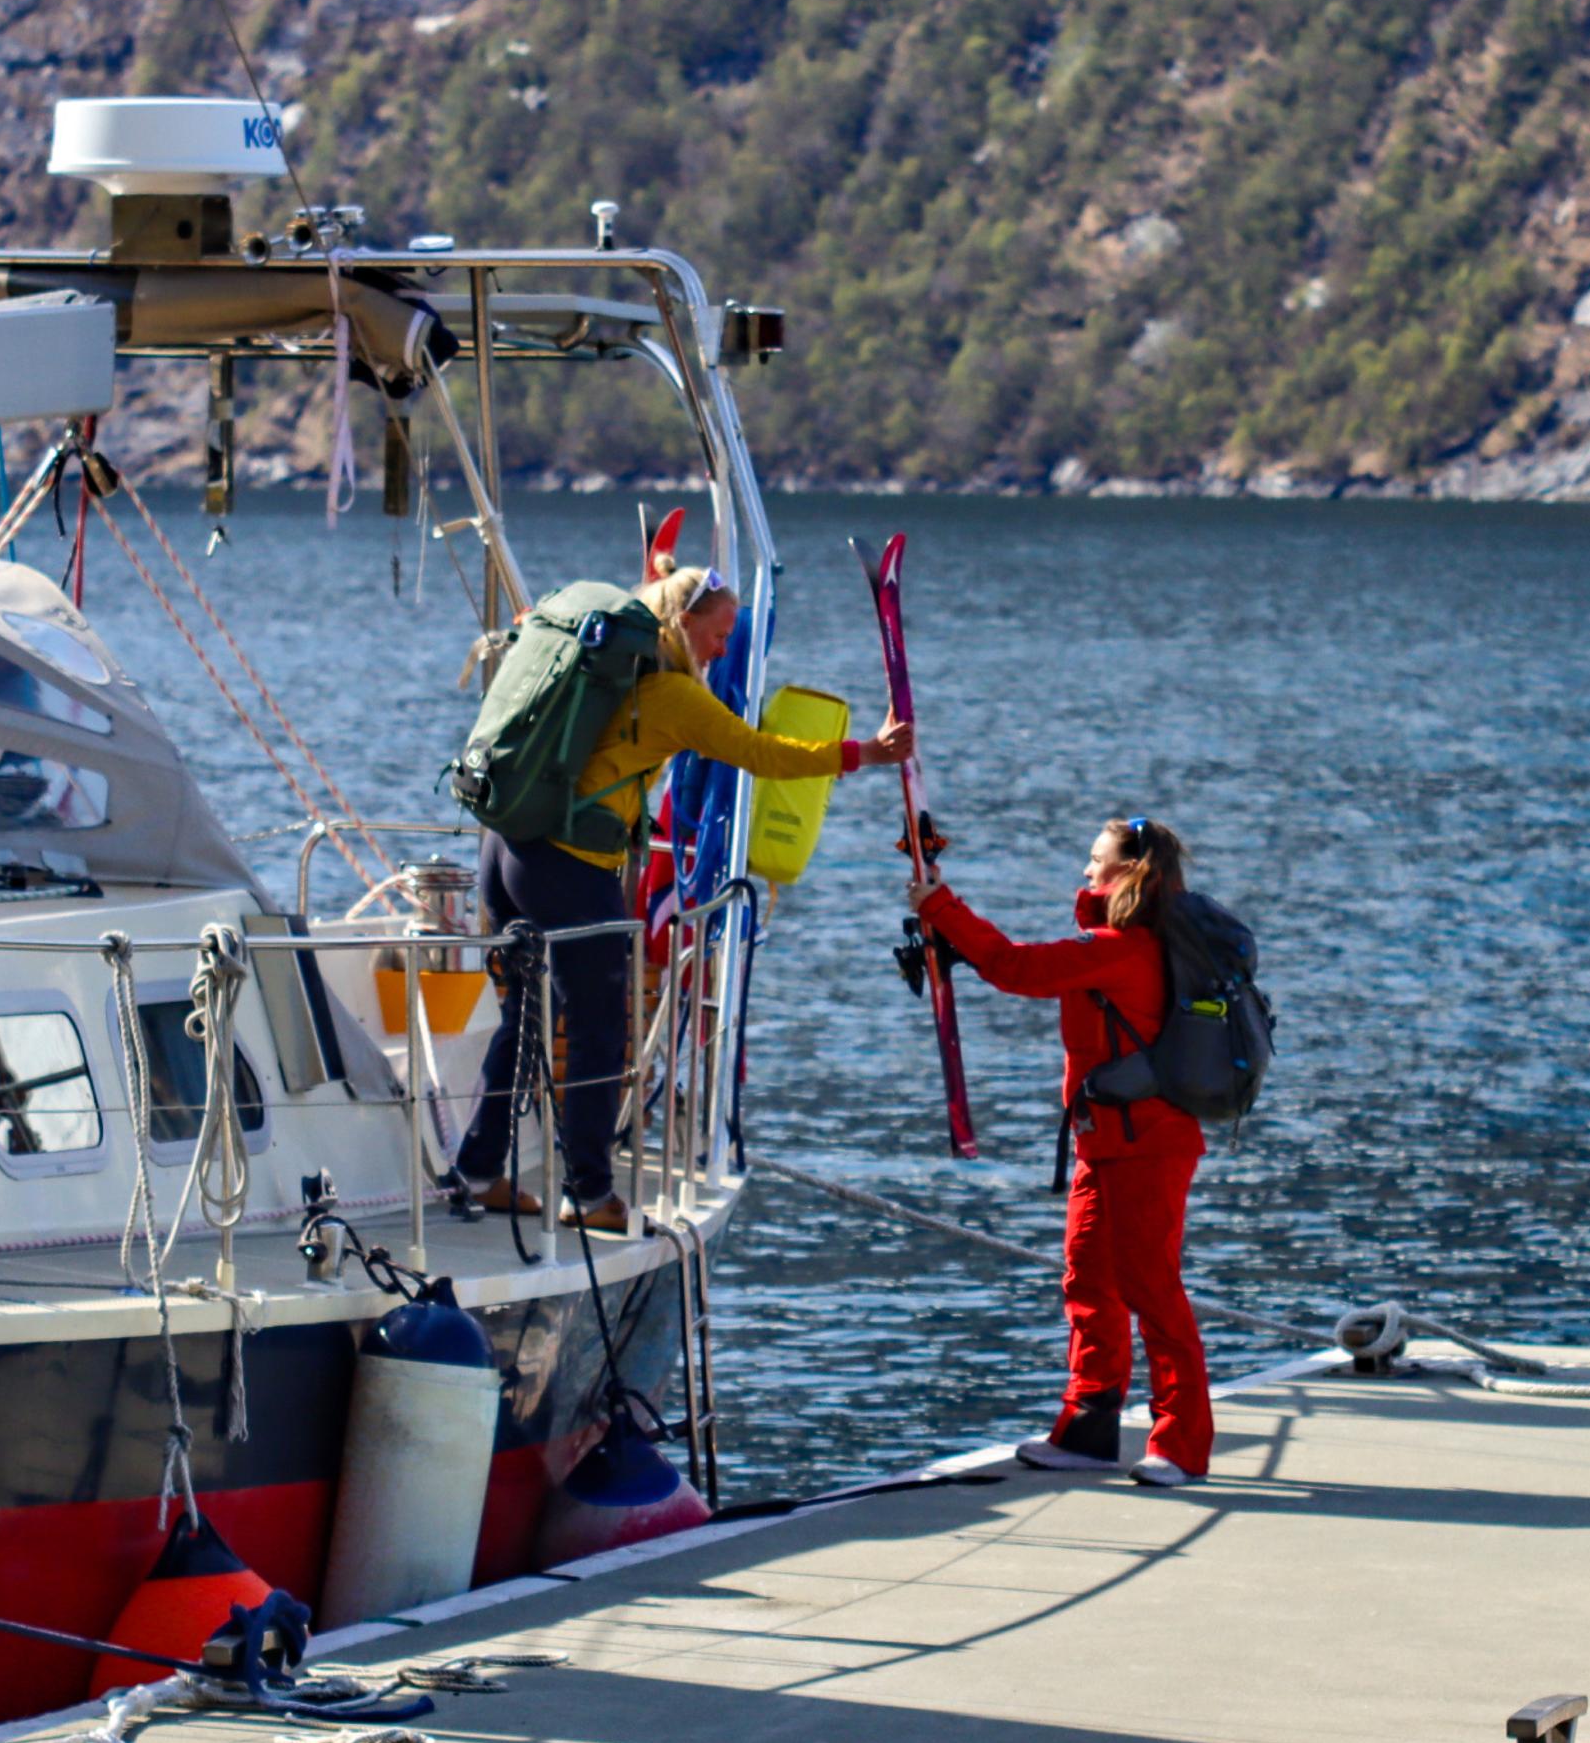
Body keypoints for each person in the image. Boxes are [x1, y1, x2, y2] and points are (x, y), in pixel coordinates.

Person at [453, 566, 908, 1233]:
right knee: (599, 1029)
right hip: (568, 865)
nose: (723, 650)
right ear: (684, 623)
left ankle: (479, 1171)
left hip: (505, 846)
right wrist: (864, 752)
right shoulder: (667, 693)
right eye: (719, 634)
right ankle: (589, 1192)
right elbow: (758, 752)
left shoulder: (603, 666)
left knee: (525, 1015)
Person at [918, 817, 1213, 1487]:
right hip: (1103, 1140)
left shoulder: (1127, 949)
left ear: (1130, 875)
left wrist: (941, 906)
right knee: (1088, 1282)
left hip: (1149, 1146)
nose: (1086, 873)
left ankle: (1182, 1445)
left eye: (1096, 862)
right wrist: (949, 926)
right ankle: (1087, 1431)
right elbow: (1018, 965)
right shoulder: (1115, 945)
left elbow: (1018, 967)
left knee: (1151, 1289)